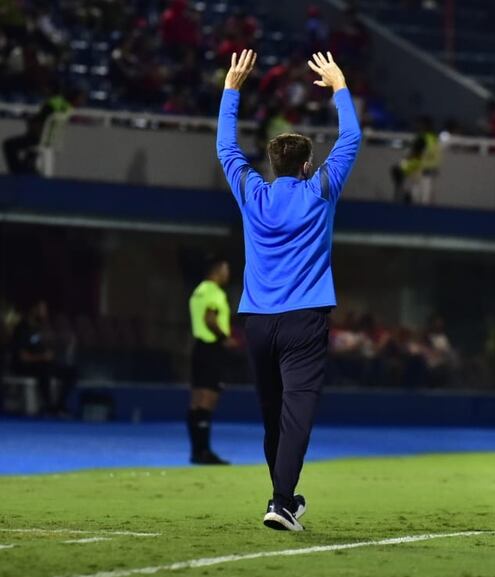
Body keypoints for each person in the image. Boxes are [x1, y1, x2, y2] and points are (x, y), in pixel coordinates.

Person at [216, 49, 361, 531]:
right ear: (304, 166)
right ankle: (281, 502)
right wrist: (339, 84)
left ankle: (284, 498)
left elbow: (226, 150)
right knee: (297, 413)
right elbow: (353, 137)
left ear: (276, 165)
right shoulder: (320, 190)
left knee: (272, 415)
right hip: (305, 319)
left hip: (257, 320)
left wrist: (231, 90)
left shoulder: (253, 193)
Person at [187, 256, 237, 465]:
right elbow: (210, 318)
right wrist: (225, 338)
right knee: (208, 400)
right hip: (212, 349)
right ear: (217, 271)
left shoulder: (198, 291)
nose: (228, 274)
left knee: (196, 401)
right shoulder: (215, 292)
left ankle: (196, 450)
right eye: (226, 270)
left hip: (199, 347)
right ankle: (204, 451)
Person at [10, 300, 77, 417]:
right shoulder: (22, 328)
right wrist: (43, 357)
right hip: (24, 366)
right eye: (42, 309)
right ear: (33, 309)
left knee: (71, 372)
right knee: (44, 370)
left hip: (42, 363)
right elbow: (23, 357)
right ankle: (49, 407)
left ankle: (59, 405)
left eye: (45, 309)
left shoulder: (40, 328)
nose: (44, 313)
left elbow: (43, 348)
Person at [2, 87, 82, 175]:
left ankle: (17, 173)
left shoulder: (54, 103)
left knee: (8, 144)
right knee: (29, 152)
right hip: (50, 139)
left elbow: (40, 120)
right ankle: (27, 170)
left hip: (40, 138)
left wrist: (30, 121)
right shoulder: (67, 108)